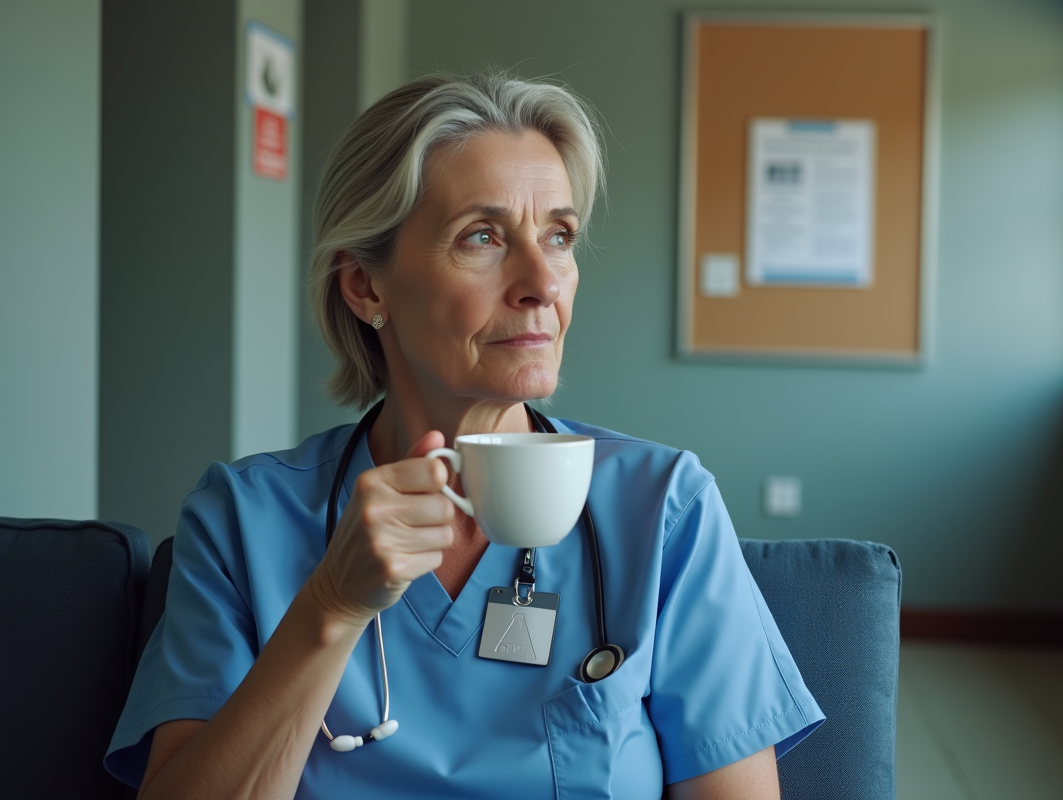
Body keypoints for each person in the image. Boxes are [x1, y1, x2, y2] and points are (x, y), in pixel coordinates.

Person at [105, 72, 824, 799]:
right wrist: (331, 606)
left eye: (560, 236)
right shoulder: (242, 520)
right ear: (365, 287)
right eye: (482, 236)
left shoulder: (664, 508)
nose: (542, 280)